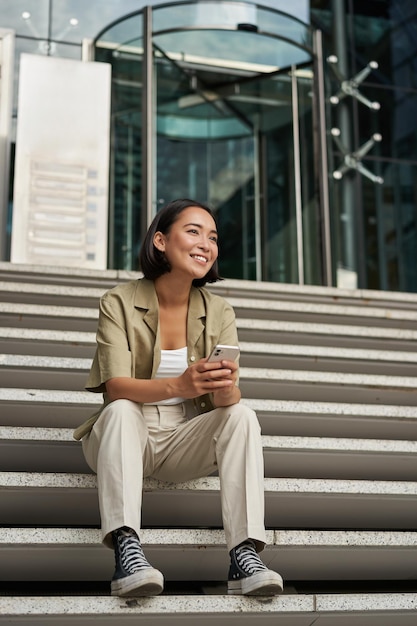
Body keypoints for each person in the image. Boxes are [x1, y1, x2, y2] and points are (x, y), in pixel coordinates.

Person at [74, 198, 283, 598]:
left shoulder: (219, 310)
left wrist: (224, 387)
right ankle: (127, 550)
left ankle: (244, 555)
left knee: (242, 415)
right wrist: (180, 386)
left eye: (213, 237)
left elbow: (228, 401)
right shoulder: (118, 301)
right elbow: (115, 385)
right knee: (119, 409)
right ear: (160, 241)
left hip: (182, 439)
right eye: (193, 231)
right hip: (124, 435)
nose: (206, 243)